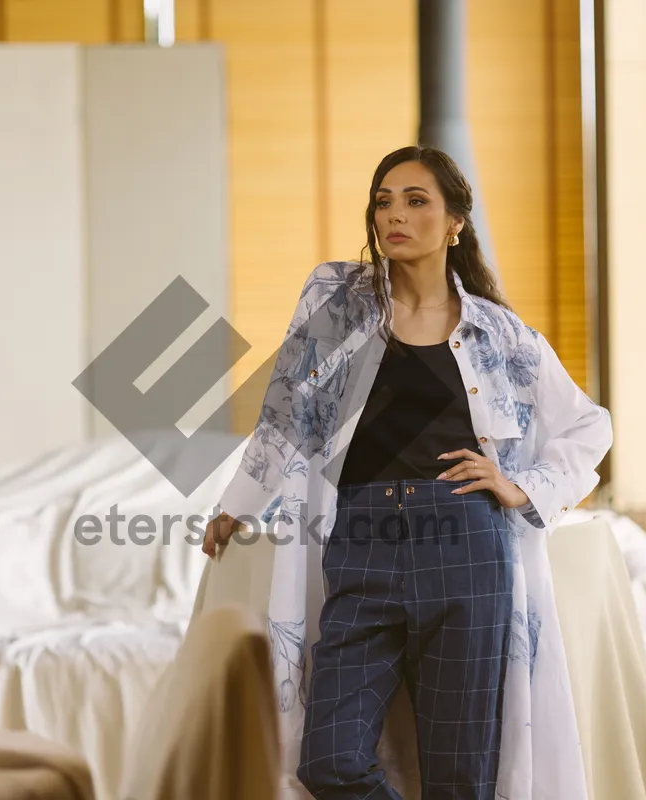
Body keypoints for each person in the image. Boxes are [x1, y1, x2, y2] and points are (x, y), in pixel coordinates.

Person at [201, 145, 612, 800]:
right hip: (361, 542)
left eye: (416, 201)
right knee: (329, 759)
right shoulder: (338, 303)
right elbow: (284, 409)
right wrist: (238, 502)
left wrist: (521, 486)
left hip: (466, 548)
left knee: (461, 777)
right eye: (383, 201)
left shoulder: (499, 335)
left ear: (455, 222)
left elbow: (591, 426)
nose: (394, 215)